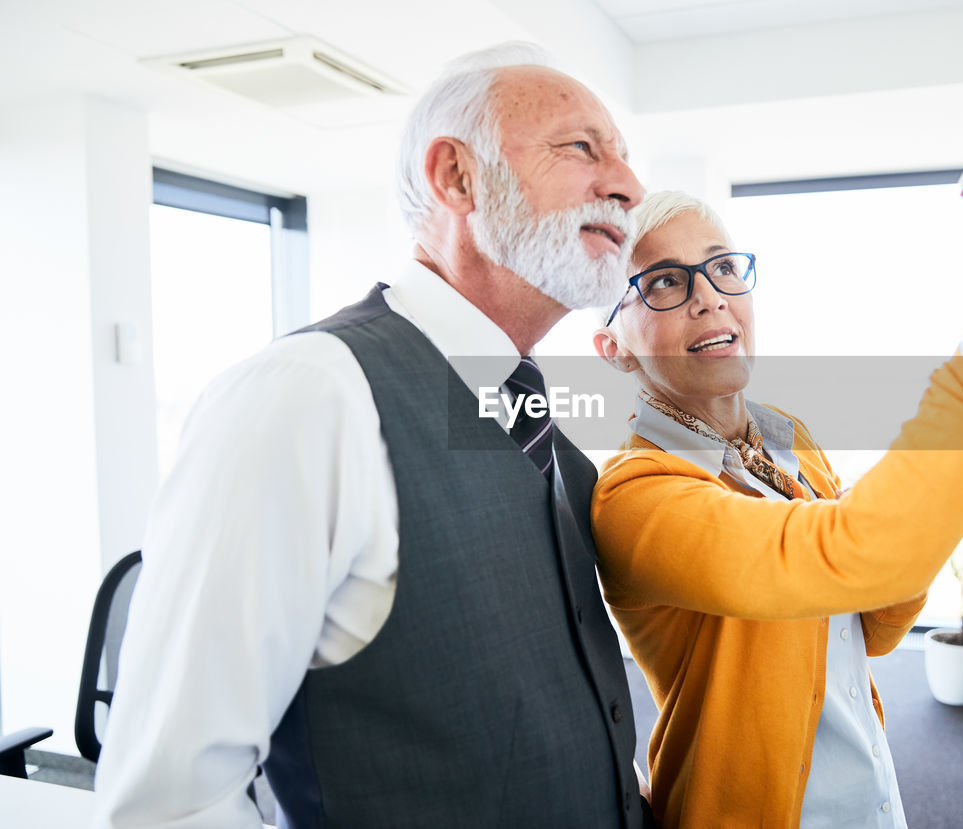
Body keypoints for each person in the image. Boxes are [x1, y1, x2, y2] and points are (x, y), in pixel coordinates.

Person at [93, 43, 655, 828]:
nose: (628, 186)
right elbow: (172, 801)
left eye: (626, 158)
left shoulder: (537, 420)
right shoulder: (308, 394)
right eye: (582, 149)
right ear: (456, 177)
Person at [589, 61, 963, 827]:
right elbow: (852, 556)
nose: (709, 295)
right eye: (664, 282)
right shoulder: (635, 498)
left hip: (871, 791)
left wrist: (893, 538)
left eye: (724, 268)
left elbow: (875, 621)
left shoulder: (786, 435)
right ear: (614, 348)